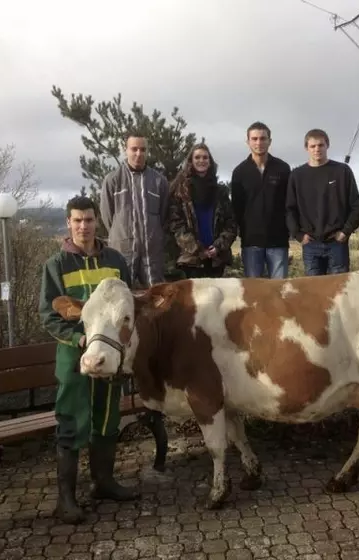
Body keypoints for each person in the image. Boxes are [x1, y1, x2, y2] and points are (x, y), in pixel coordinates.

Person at [39, 195, 140, 525]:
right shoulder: (56, 265)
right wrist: (78, 338)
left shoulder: (115, 261)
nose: (84, 226)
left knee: (107, 418)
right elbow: (49, 316)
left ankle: (104, 483)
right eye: (77, 220)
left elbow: (128, 307)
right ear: (68, 223)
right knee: (72, 422)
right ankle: (65, 498)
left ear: (98, 222)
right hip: (75, 359)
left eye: (89, 220)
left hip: (110, 358)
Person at [286, 128, 359, 276]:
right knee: (314, 294)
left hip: (337, 244)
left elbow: (355, 207)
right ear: (306, 148)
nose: (317, 149)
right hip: (310, 245)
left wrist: (345, 232)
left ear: (327, 145)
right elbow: (290, 209)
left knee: (339, 292)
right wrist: (298, 235)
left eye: (321, 145)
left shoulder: (342, 171)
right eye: (312, 146)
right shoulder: (297, 175)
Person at [99, 132, 171, 288]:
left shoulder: (159, 181)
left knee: (157, 297)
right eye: (134, 149)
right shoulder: (112, 180)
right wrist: (122, 233)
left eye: (143, 149)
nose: (139, 154)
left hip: (151, 253)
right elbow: (107, 217)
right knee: (121, 296)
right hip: (122, 252)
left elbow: (164, 215)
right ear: (125, 150)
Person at [230, 121, 291, 278]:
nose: (259, 142)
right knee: (253, 294)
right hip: (251, 242)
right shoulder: (239, 172)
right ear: (248, 141)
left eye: (263, 138)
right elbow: (236, 207)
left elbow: (289, 203)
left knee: (279, 291)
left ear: (270, 141)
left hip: (278, 241)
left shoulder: (283, 169)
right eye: (255, 138)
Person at [168, 143, 237, 278]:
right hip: (191, 260)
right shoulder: (180, 191)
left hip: (216, 260)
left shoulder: (220, 192)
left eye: (205, 157)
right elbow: (176, 225)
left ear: (210, 162)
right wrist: (198, 249)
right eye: (197, 157)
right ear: (191, 161)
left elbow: (231, 224)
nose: (201, 161)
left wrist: (218, 247)